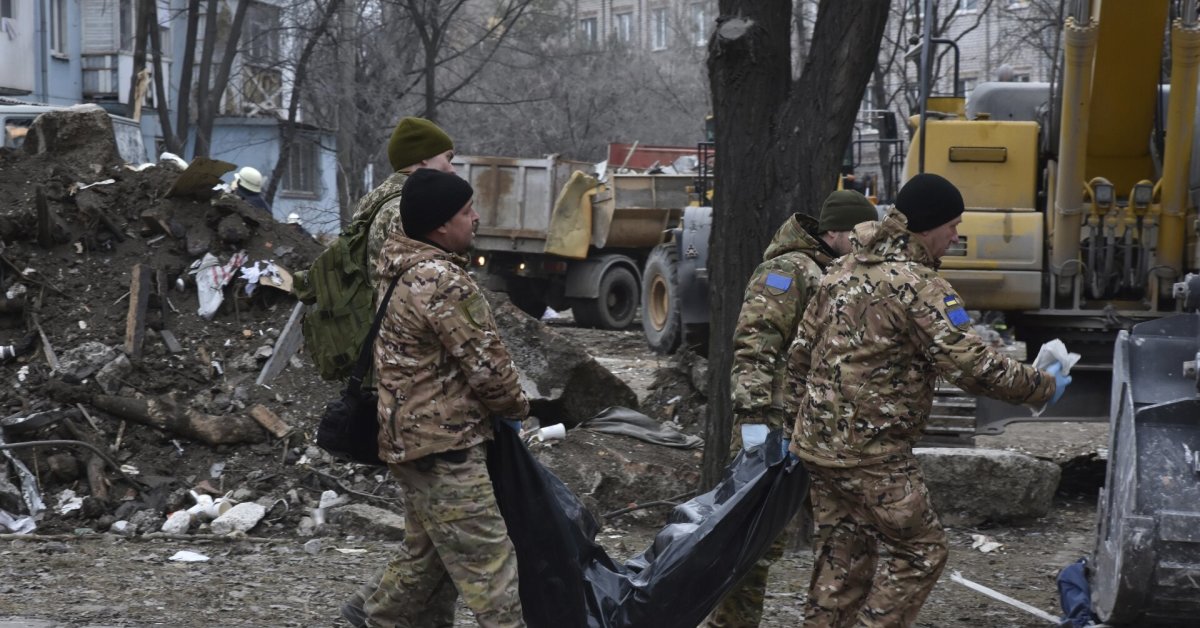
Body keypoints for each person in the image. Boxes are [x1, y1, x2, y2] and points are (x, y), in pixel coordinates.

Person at [786, 172, 1072, 627]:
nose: (956, 237)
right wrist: (1044, 384)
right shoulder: (918, 286)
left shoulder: (841, 271)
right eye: (952, 225)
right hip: (872, 454)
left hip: (819, 448)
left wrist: (795, 428)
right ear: (925, 227)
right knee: (921, 550)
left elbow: (800, 354)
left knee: (844, 556)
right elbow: (974, 367)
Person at [347, 169, 529, 628]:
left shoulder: (398, 268)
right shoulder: (441, 280)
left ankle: (372, 618)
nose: (476, 218)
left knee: (429, 560)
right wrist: (517, 410)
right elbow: (488, 369)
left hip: (410, 443)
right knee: (492, 569)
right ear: (440, 225)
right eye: (467, 212)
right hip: (445, 446)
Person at [706, 191, 879, 627]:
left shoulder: (836, 272)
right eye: (859, 234)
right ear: (836, 232)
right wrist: (752, 420)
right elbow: (754, 345)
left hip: (819, 428)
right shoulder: (788, 271)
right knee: (755, 544)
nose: (866, 244)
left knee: (841, 537)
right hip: (775, 426)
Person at [351, 116, 456, 289]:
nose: (452, 169)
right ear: (425, 156)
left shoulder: (376, 201)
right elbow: (421, 285)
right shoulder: (406, 208)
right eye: (448, 158)